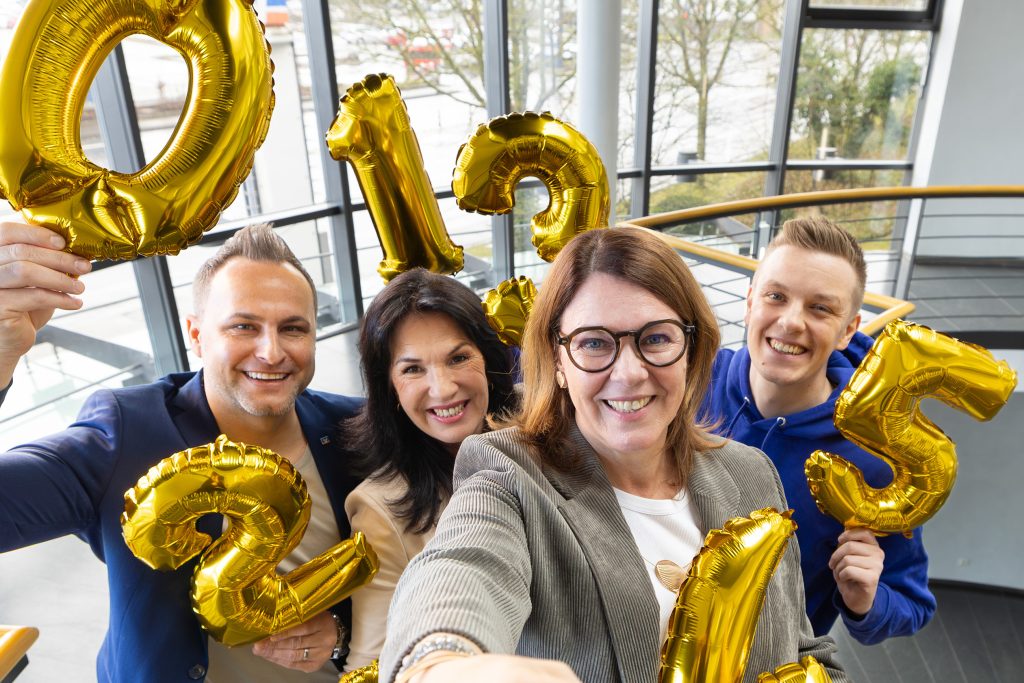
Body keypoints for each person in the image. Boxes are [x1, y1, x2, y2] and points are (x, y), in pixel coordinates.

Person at [377, 227, 846, 683]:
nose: (629, 373)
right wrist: (442, 664)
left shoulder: (750, 473)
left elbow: (800, 647)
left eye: (656, 338)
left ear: (692, 350)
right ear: (559, 362)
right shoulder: (509, 476)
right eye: (594, 343)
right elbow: (463, 566)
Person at [0, 220, 364, 682]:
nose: (271, 352)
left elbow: (409, 567)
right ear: (196, 335)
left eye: (293, 328)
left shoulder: (357, 429)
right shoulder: (127, 434)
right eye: (243, 326)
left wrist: (342, 631)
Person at [700, 215, 936, 644]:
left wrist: (866, 598)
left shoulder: (876, 459)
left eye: (820, 308)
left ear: (849, 330)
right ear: (750, 301)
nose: (791, 322)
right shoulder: (686, 383)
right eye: (776, 296)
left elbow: (913, 604)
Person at [338, 268, 517, 671]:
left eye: (457, 358)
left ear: (487, 359)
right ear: (390, 388)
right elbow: (373, 664)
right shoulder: (381, 508)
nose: (442, 388)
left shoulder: (547, 433)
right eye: (412, 369)